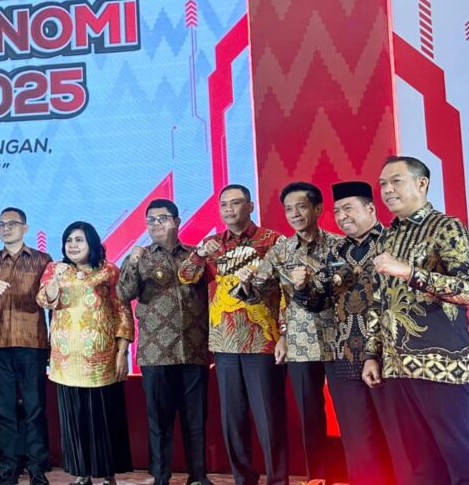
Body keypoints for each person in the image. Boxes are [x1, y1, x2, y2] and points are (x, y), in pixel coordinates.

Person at [363, 156, 469, 484]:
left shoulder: (445, 227)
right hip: (396, 366)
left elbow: (468, 290)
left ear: (421, 183)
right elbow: (379, 301)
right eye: (383, 184)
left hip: (441, 365)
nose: (387, 190)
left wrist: (410, 272)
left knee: (458, 457)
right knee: (417, 462)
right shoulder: (386, 237)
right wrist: (372, 354)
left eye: (396, 181)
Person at [178, 184, 286, 485]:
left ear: (250, 206)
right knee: (233, 420)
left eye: (236, 203)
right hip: (224, 342)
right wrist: (200, 254)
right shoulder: (212, 244)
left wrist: (285, 334)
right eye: (224, 204)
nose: (229, 209)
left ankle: (278, 479)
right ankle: (243, 479)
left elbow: (287, 291)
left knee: (269, 418)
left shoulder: (273, 240)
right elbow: (186, 277)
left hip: (262, 340)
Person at [293, 181, 395, 484]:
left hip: (389, 354)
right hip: (344, 355)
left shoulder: (392, 242)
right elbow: (318, 302)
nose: (342, 216)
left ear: (370, 208)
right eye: (337, 211)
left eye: (348, 208)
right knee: (356, 438)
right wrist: (302, 287)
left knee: (395, 434)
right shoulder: (336, 250)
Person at [249, 182, 340, 482]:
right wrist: (247, 281)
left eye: (301, 207)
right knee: (310, 415)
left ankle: (359, 473)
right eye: (289, 209)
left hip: (341, 341)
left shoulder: (339, 245)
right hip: (300, 344)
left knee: (350, 414)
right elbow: (263, 293)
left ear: (318, 208)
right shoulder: (281, 250)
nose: (295, 214)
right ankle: (318, 478)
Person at [116, 200, 210, 485]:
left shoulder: (196, 255)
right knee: (159, 422)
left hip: (193, 349)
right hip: (156, 353)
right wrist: (132, 263)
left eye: (162, 218)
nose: (156, 224)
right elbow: (123, 293)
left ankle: (198, 476)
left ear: (177, 221)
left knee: (196, 420)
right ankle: (161, 476)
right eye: (150, 220)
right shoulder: (140, 256)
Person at [38, 221, 132, 485]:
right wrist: (54, 282)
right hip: (67, 360)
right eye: (69, 240)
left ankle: (108, 476)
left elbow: (122, 310)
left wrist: (122, 351)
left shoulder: (108, 271)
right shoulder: (55, 269)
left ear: (91, 242)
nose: (73, 245)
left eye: (79, 240)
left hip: (102, 359)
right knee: (74, 421)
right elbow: (43, 300)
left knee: (104, 419)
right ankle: (82, 474)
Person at [0, 207, 53, 485]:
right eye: (2, 224)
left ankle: (36, 466)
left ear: (25, 228)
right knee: (3, 408)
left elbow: (51, 301)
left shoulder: (43, 260)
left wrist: (52, 344)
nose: (6, 228)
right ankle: (7, 465)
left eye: (12, 223)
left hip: (32, 342)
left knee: (35, 407)